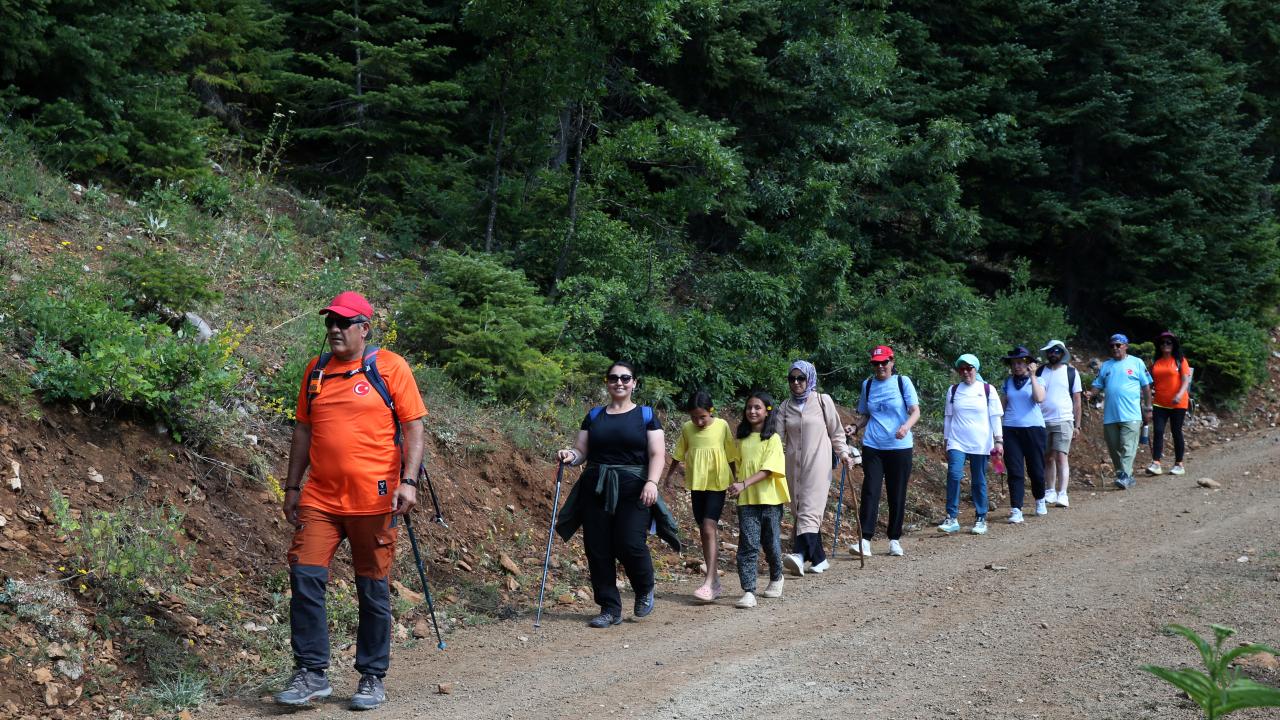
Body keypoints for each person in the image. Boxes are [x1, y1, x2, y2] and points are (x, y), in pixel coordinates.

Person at [276, 291, 427, 711]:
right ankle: (311, 672)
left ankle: (372, 676)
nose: (334, 329)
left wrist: (408, 481)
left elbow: (414, 427)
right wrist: (291, 488)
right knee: (305, 576)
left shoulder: (390, 367)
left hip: (375, 501)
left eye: (343, 322)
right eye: (330, 322)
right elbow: (303, 431)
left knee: (371, 587)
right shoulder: (316, 371)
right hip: (320, 498)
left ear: (365, 327)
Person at [555, 362, 667, 628]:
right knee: (598, 547)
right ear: (607, 382)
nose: (619, 382)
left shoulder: (646, 415)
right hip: (596, 488)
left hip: (635, 489)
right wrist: (570, 456)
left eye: (625, 378)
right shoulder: (594, 415)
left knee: (630, 542)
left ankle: (644, 587)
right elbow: (581, 451)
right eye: (614, 378)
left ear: (634, 383)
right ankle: (609, 608)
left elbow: (657, 453)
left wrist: (652, 482)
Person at [779, 360, 856, 576]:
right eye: (792, 378)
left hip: (818, 464)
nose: (796, 382)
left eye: (801, 378)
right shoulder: (785, 406)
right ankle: (819, 558)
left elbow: (836, 432)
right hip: (793, 467)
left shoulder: (823, 401)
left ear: (810, 378)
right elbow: (776, 439)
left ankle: (799, 554)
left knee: (809, 508)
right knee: (799, 508)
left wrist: (844, 454)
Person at [661, 391, 738, 603]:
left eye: (702, 417)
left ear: (711, 411)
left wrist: (736, 479)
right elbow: (678, 454)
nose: (699, 422)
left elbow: (731, 454)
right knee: (704, 530)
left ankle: (709, 581)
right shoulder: (688, 428)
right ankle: (714, 581)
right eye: (694, 417)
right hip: (697, 484)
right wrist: (668, 477)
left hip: (717, 483)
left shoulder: (721, 426)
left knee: (708, 527)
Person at [848, 345, 920, 557]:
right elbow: (866, 415)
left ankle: (894, 539)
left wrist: (905, 427)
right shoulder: (868, 385)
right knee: (870, 490)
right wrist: (855, 427)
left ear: (892, 362)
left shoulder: (902, 382)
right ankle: (865, 540)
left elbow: (915, 411)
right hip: (873, 445)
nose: (880, 366)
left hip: (900, 447)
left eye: (884, 362)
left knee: (896, 492)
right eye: (876, 363)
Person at [727, 391, 789, 609]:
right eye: (749, 407)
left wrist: (743, 484)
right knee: (748, 545)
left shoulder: (773, 439)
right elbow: (735, 463)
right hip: (747, 500)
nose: (752, 411)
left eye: (757, 407)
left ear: (767, 411)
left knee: (770, 543)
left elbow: (769, 469)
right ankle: (749, 591)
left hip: (770, 499)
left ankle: (777, 576)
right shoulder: (742, 439)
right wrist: (735, 482)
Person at [939, 354, 1003, 536]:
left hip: (981, 442)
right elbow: (948, 418)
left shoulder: (988, 390)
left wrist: (999, 441)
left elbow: (995, 417)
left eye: (969, 368)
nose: (966, 372)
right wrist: (946, 440)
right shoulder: (953, 390)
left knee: (978, 479)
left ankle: (981, 517)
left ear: (976, 369)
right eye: (962, 369)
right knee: (953, 474)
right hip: (957, 440)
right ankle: (951, 517)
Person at [1086, 334, 1153, 489]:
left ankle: (1124, 475)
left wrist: (1148, 407)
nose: (1115, 348)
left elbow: (1146, 387)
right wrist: (1090, 393)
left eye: (1118, 345)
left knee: (1128, 446)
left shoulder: (1137, 362)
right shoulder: (1106, 366)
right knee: (1114, 447)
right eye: (1112, 346)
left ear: (1125, 346)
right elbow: (1098, 384)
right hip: (1111, 415)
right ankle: (1124, 475)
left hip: (1131, 414)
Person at [998, 346, 1047, 522]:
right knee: (1015, 470)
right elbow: (1002, 406)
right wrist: (997, 430)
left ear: (1028, 364)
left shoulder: (1039, 380)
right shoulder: (1008, 382)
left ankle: (1040, 499)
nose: (1017, 366)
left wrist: (1033, 376)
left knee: (1036, 469)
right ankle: (1016, 509)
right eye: (1014, 363)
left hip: (1034, 429)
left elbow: (1039, 398)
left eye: (1020, 362)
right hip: (1011, 429)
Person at [1037, 340, 1082, 508]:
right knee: (1047, 457)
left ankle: (1063, 493)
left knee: (1061, 456)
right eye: (1050, 351)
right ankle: (1050, 490)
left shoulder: (1071, 372)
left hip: (1064, 419)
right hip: (1042, 420)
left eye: (1056, 351)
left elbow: (1077, 400)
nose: (1053, 353)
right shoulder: (1040, 371)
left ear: (1062, 353)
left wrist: (1077, 425)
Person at [1146, 331, 1193, 476]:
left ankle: (1179, 464)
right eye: (1162, 343)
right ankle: (1156, 463)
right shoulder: (1156, 363)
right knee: (1158, 431)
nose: (1165, 345)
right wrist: (1146, 399)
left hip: (1178, 403)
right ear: (1159, 346)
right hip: (1159, 403)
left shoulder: (1180, 361)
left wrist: (1179, 395)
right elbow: (1150, 383)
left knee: (1176, 431)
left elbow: (1185, 381)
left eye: (1169, 342)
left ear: (1174, 345)